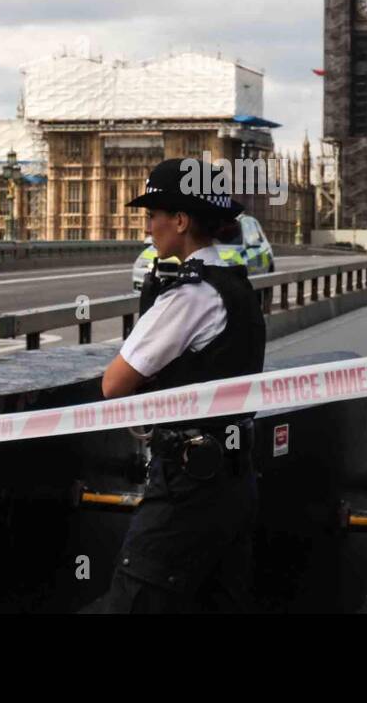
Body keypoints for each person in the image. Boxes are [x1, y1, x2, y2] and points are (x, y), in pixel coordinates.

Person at [100, 157, 266, 613]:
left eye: (153, 216)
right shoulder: (233, 284)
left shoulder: (189, 294)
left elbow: (115, 383)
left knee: (135, 598)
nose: (149, 228)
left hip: (188, 485)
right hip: (235, 478)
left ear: (180, 219)